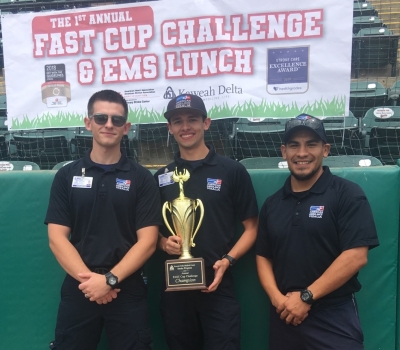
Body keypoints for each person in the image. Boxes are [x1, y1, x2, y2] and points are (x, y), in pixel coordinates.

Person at [45, 89, 163, 350]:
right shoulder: (66, 176)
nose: (109, 124)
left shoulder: (142, 178)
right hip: (79, 287)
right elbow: (56, 238)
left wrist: (109, 280)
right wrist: (90, 282)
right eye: (101, 118)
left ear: (126, 127)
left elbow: (148, 241)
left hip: (127, 287)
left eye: (117, 120)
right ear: (88, 123)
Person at [255, 114, 380, 350]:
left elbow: (356, 256)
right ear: (284, 152)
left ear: (325, 149)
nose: (302, 153)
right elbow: (263, 256)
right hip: (285, 314)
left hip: (333, 315)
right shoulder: (272, 204)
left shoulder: (348, 194)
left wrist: (306, 297)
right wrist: (278, 299)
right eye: (294, 145)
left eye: (311, 144)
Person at [155, 93, 259, 350]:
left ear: (206, 123)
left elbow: (252, 228)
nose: (185, 126)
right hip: (175, 291)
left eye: (192, 119)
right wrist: (163, 244)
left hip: (218, 287)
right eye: (177, 121)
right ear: (169, 128)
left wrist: (228, 261)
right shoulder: (161, 177)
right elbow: (150, 232)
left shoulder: (232, 171)